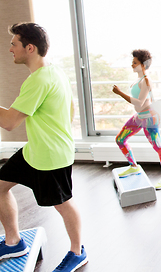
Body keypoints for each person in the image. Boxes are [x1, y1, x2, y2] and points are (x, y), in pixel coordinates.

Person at [0, 23, 88, 271]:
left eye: (14, 44)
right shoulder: (55, 71)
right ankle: (14, 241)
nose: (10, 49)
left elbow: (9, 122)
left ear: (29, 48)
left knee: (63, 204)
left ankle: (77, 252)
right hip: (34, 152)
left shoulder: (38, 81)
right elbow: (69, 110)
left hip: (50, 157)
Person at [112, 49, 161, 190]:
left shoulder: (146, 80)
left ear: (143, 65)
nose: (132, 65)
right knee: (120, 139)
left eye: (135, 62)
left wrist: (120, 93)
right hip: (139, 117)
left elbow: (139, 102)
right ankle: (134, 166)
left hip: (149, 118)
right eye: (132, 62)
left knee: (158, 147)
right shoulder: (138, 80)